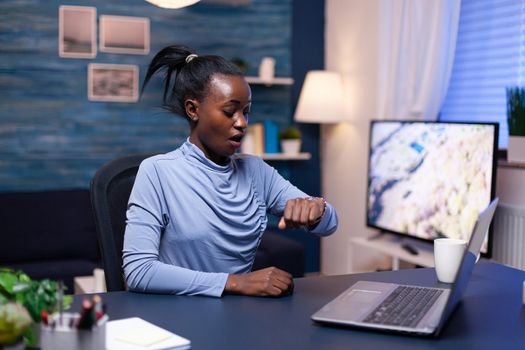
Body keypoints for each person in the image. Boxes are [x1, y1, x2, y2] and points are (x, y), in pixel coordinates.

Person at [122, 44, 338, 298]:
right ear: (193, 109)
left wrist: (317, 210)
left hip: (237, 314)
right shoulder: (158, 172)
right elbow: (138, 271)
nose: (242, 123)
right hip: (175, 314)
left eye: (246, 111)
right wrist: (237, 282)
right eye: (229, 111)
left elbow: (330, 225)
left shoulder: (255, 170)